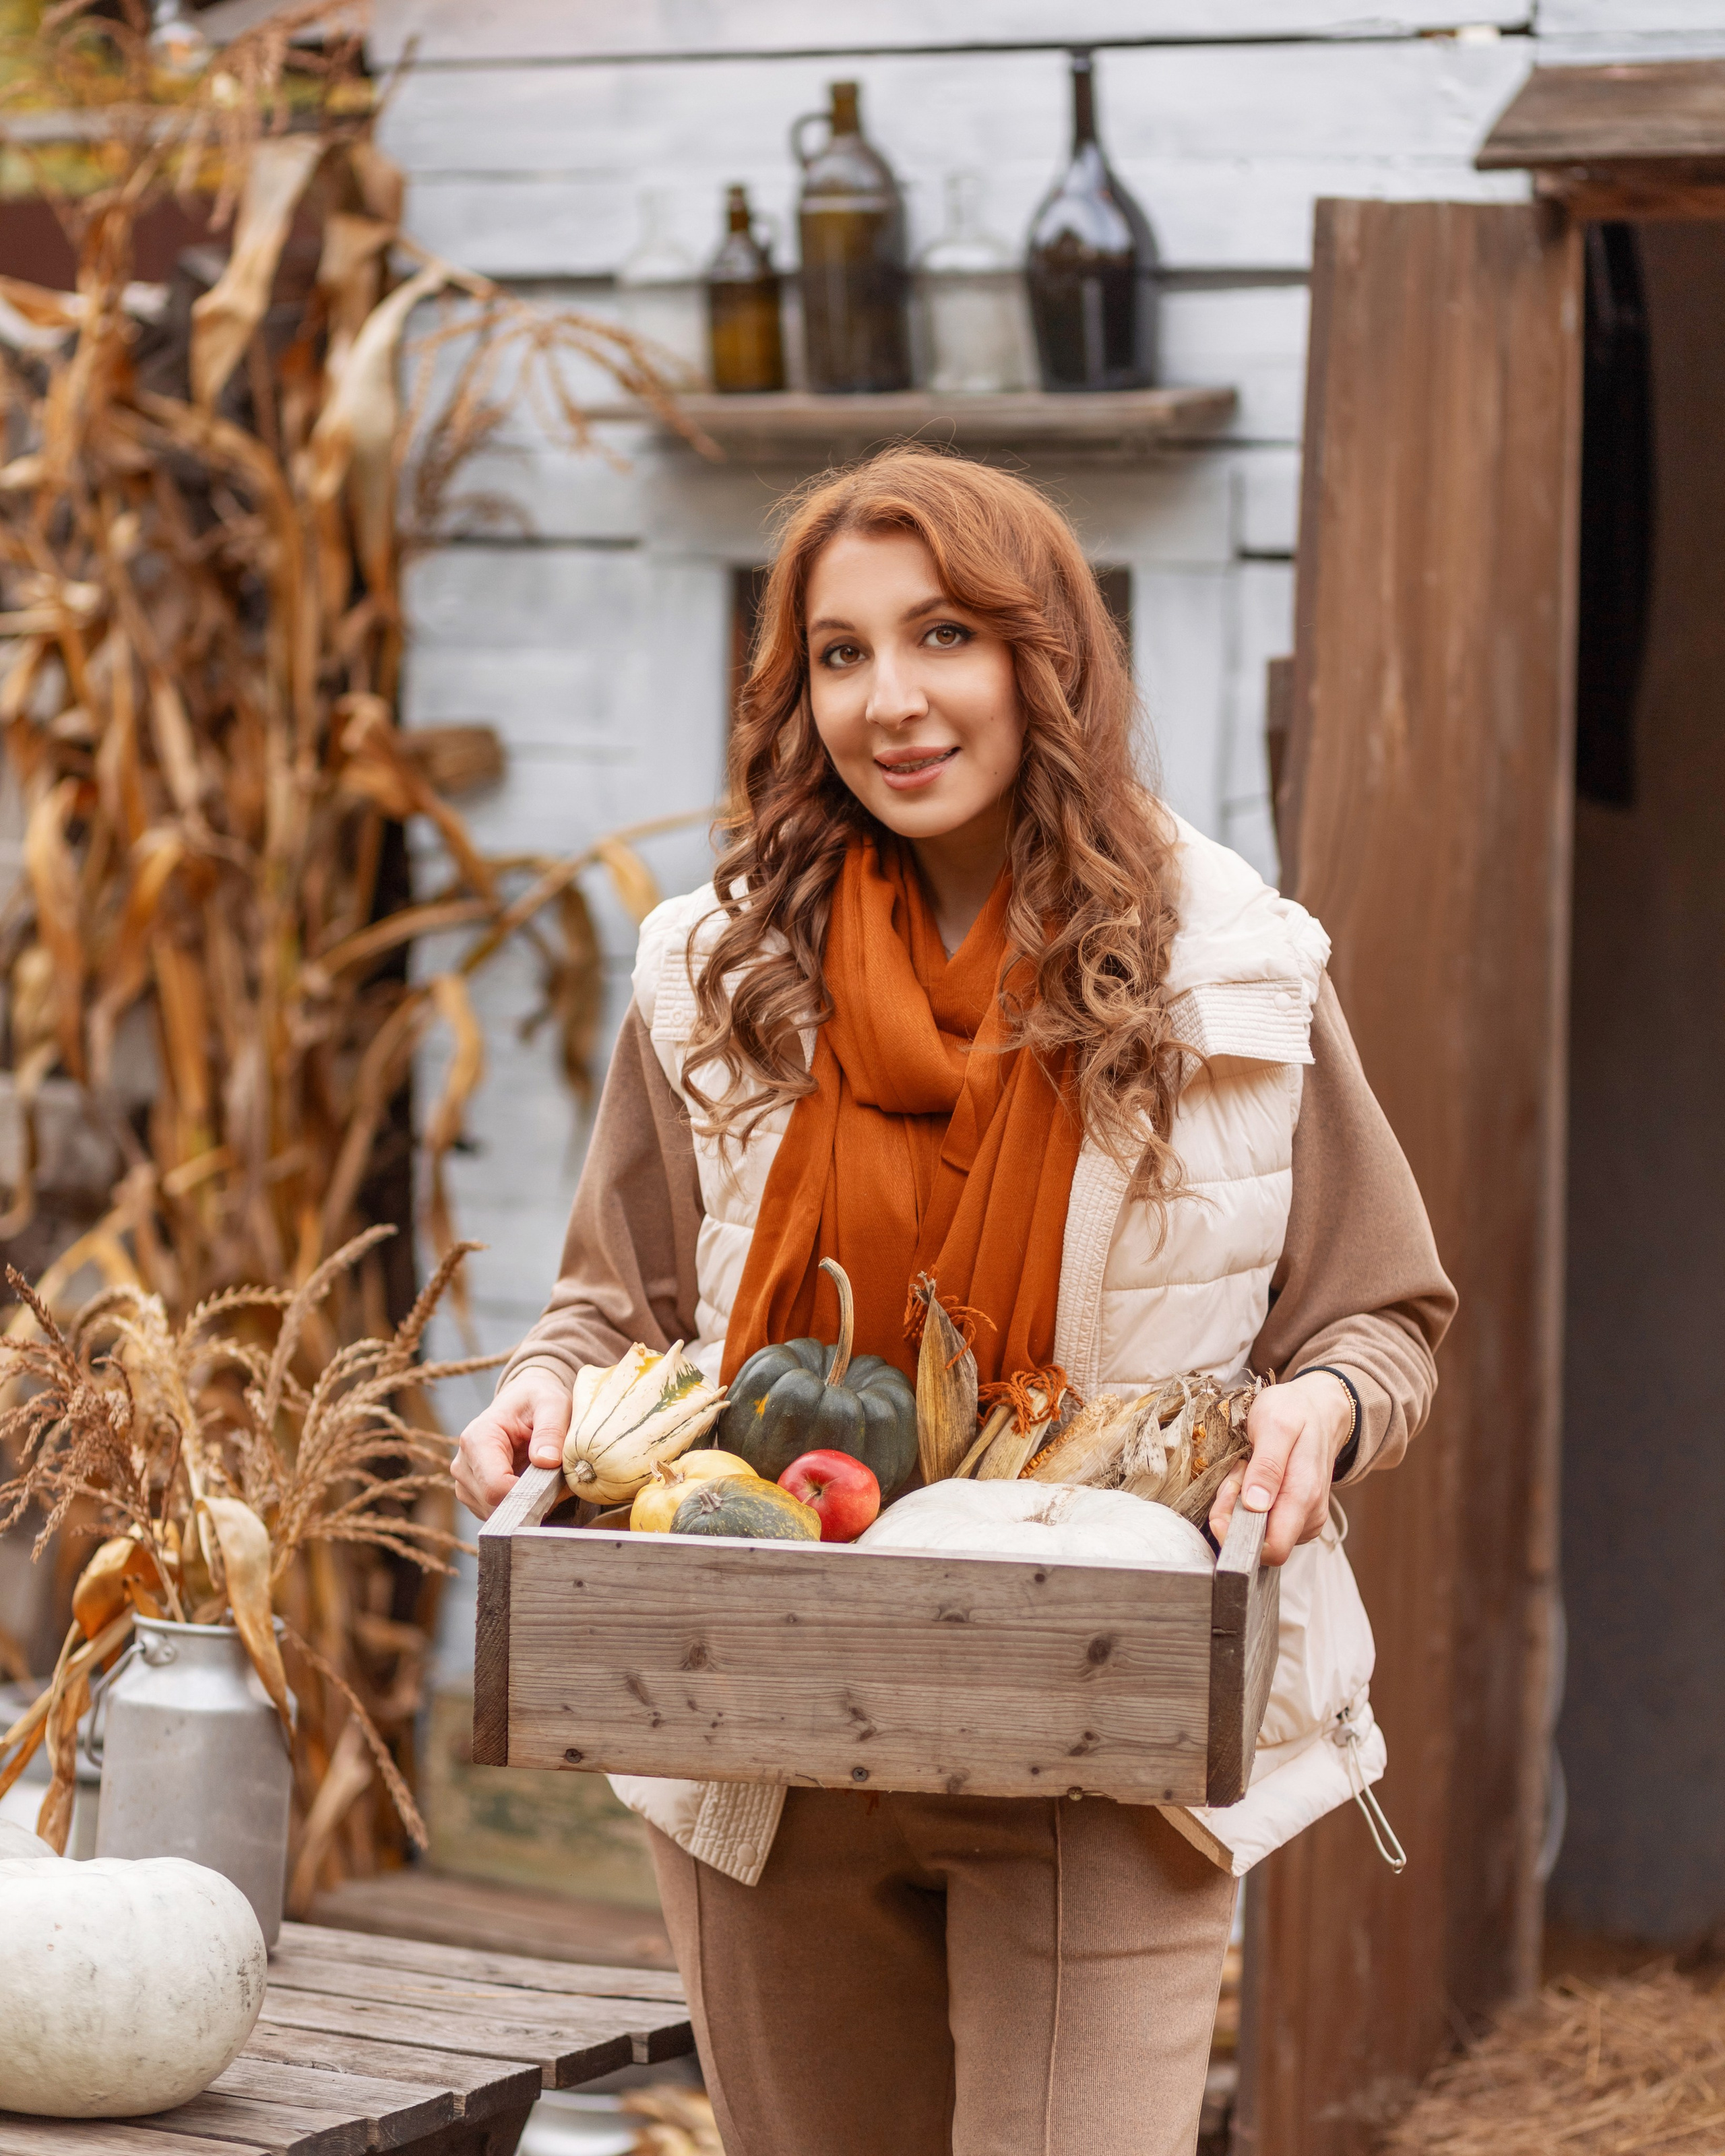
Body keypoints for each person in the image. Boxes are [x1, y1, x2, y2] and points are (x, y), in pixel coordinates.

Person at [454, 447, 1455, 2156]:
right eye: (838, 654)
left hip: (1095, 1722)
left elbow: (1381, 1314)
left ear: (1041, 658)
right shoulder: (715, 975)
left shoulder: (1230, 965)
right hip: (756, 1722)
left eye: (941, 638)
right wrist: (546, 1394)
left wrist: (1322, 1413)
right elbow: (605, 1308)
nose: (889, 701)